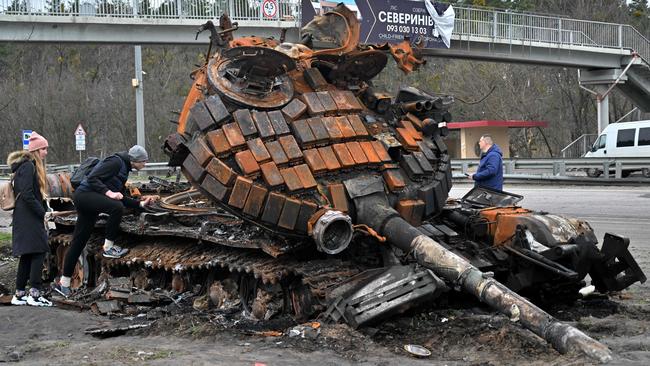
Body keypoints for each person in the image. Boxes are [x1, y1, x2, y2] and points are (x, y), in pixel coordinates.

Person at [55, 145, 154, 297]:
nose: (145, 165)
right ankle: (109, 248)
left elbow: (121, 196)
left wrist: (139, 204)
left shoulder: (124, 169)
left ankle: (64, 283)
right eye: (144, 162)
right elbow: (93, 178)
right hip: (84, 195)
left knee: (78, 242)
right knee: (116, 207)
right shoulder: (115, 162)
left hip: (90, 200)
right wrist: (109, 193)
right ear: (135, 160)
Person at [8, 132, 53, 306]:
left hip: (24, 215)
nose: (46, 152)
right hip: (28, 216)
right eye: (43, 149)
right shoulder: (28, 166)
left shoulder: (26, 165)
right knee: (39, 250)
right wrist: (42, 213)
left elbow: (31, 194)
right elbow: (27, 194)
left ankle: (19, 294)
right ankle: (34, 294)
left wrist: (45, 207)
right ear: (35, 150)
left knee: (27, 254)